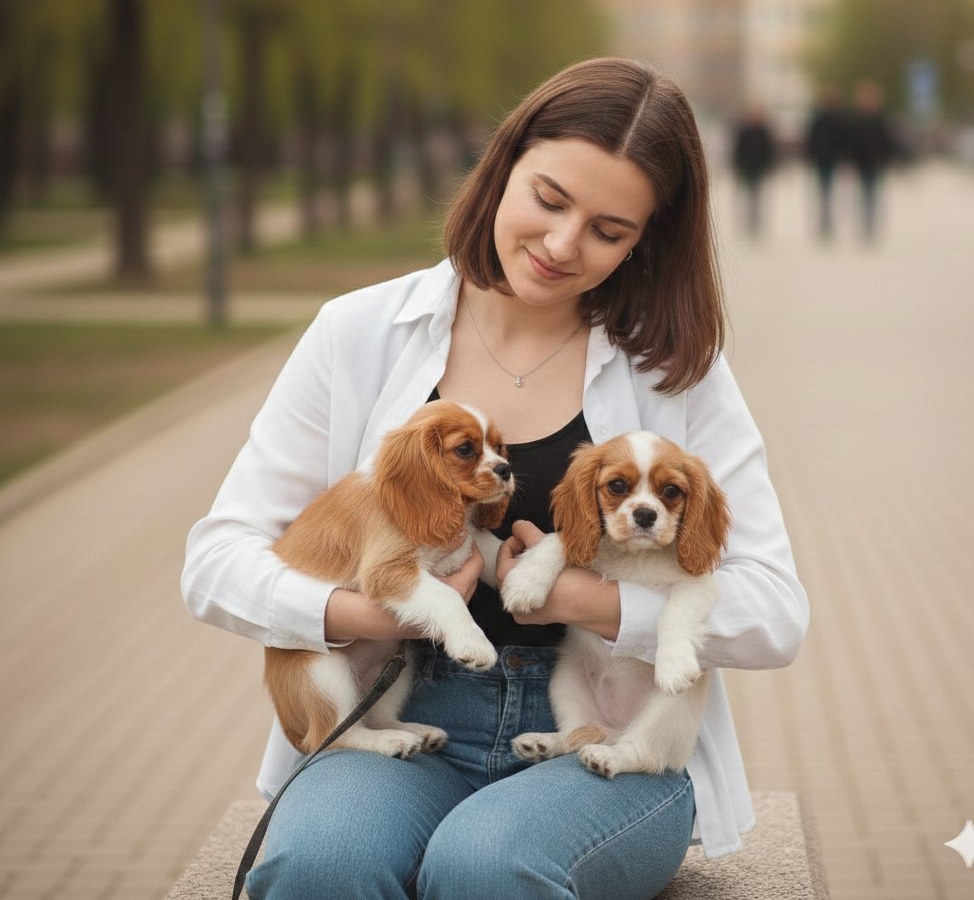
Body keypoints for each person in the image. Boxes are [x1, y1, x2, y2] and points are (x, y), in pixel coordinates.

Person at [182, 57, 809, 900]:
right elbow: (215, 561)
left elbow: (775, 612)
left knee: (486, 868)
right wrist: (361, 613)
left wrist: (591, 603)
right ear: (503, 164)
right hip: (402, 705)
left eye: (608, 231)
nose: (562, 245)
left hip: (607, 730)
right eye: (549, 199)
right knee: (319, 866)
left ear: (646, 239)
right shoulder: (359, 332)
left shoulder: (675, 370)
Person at [845, 78, 895, 242]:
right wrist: (849, 159)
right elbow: (850, 142)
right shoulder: (855, 119)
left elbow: (886, 141)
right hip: (860, 162)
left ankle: (870, 224)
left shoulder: (879, 118)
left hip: (874, 162)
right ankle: (864, 224)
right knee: (862, 194)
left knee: (872, 193)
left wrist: (886, 158)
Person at [803, 84, 847, 241]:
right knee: (823, 193)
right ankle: (824, 222)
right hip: (821, 160)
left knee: (832, 193)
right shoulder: (819, 119)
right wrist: (811, 156)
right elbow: (811, 139)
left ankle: (829, 222)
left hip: (833, 161)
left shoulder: (839, 119)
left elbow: (844, 141)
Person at [729, 102, 777, 238]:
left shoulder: (764, 131)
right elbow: (739, 150)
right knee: (748, 194)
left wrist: (769, 165)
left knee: (756, 195)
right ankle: (748, 220)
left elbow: (769, 150)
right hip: (747, 166)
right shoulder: (744, 131)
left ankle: (755, 221)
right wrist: (737, 165)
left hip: (759, 167)